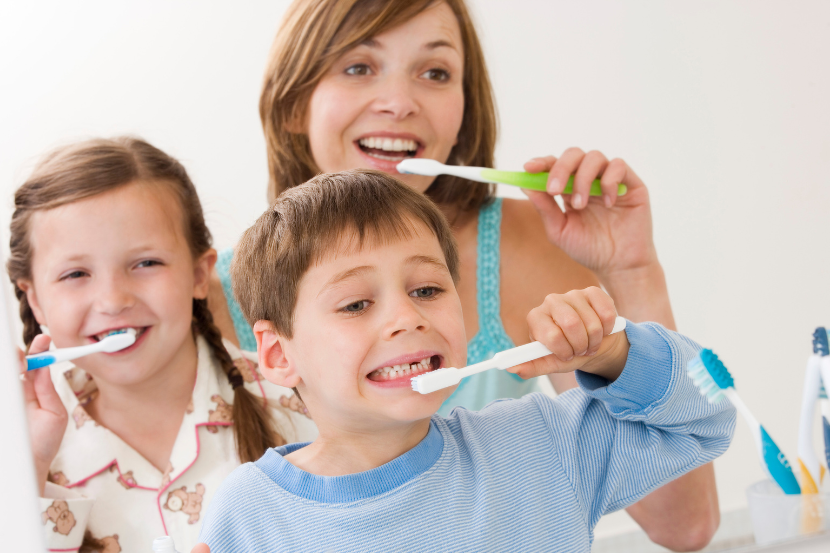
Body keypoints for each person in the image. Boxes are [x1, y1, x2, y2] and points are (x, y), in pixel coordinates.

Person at [207, 0, 717, 549]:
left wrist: (630, 273)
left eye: (435, 72)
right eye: (358, 67)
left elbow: (684, 518)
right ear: (292, 102)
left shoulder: (537, 438)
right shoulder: (202, 304)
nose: (400, 103)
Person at [196, 170, 735, 552]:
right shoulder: (248, 518)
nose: (406, 317)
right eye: (357, 303)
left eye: (428, 289)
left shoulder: (542, 445)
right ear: (277, 353)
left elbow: (704, 421)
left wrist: (616, 353)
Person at [12, 138, 317, 552]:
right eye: (75, 274)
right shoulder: (22, 451)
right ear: (33, 299)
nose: (114, 299)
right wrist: (26, 468)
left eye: (146, 263)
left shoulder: (308, 403)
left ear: (198, 274)